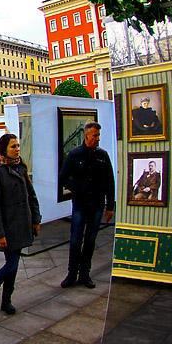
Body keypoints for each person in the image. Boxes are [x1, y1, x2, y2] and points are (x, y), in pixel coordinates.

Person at [0, 133, 41, 315]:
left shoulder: (21, 168)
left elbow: (32, 196)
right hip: (8, 227)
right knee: (12, 265)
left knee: (12, 266)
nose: (17, 149)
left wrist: (36, 220)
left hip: (23, 224)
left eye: (18, 146)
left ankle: (5, 300)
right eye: (13, 146)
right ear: (4, 149)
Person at [59, 121, 115, 289]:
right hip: (80, 204)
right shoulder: (75, 155)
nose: (98, 139)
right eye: (95, 136)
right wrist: (76, 188)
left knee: (90, 240)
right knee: (76, 240)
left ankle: (85, 274)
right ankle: (71, 274)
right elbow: (63, 177)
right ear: (87, 136)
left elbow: (109, 181)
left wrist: (110, 206)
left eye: (99, 136)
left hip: (97, 205)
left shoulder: (102, 155)